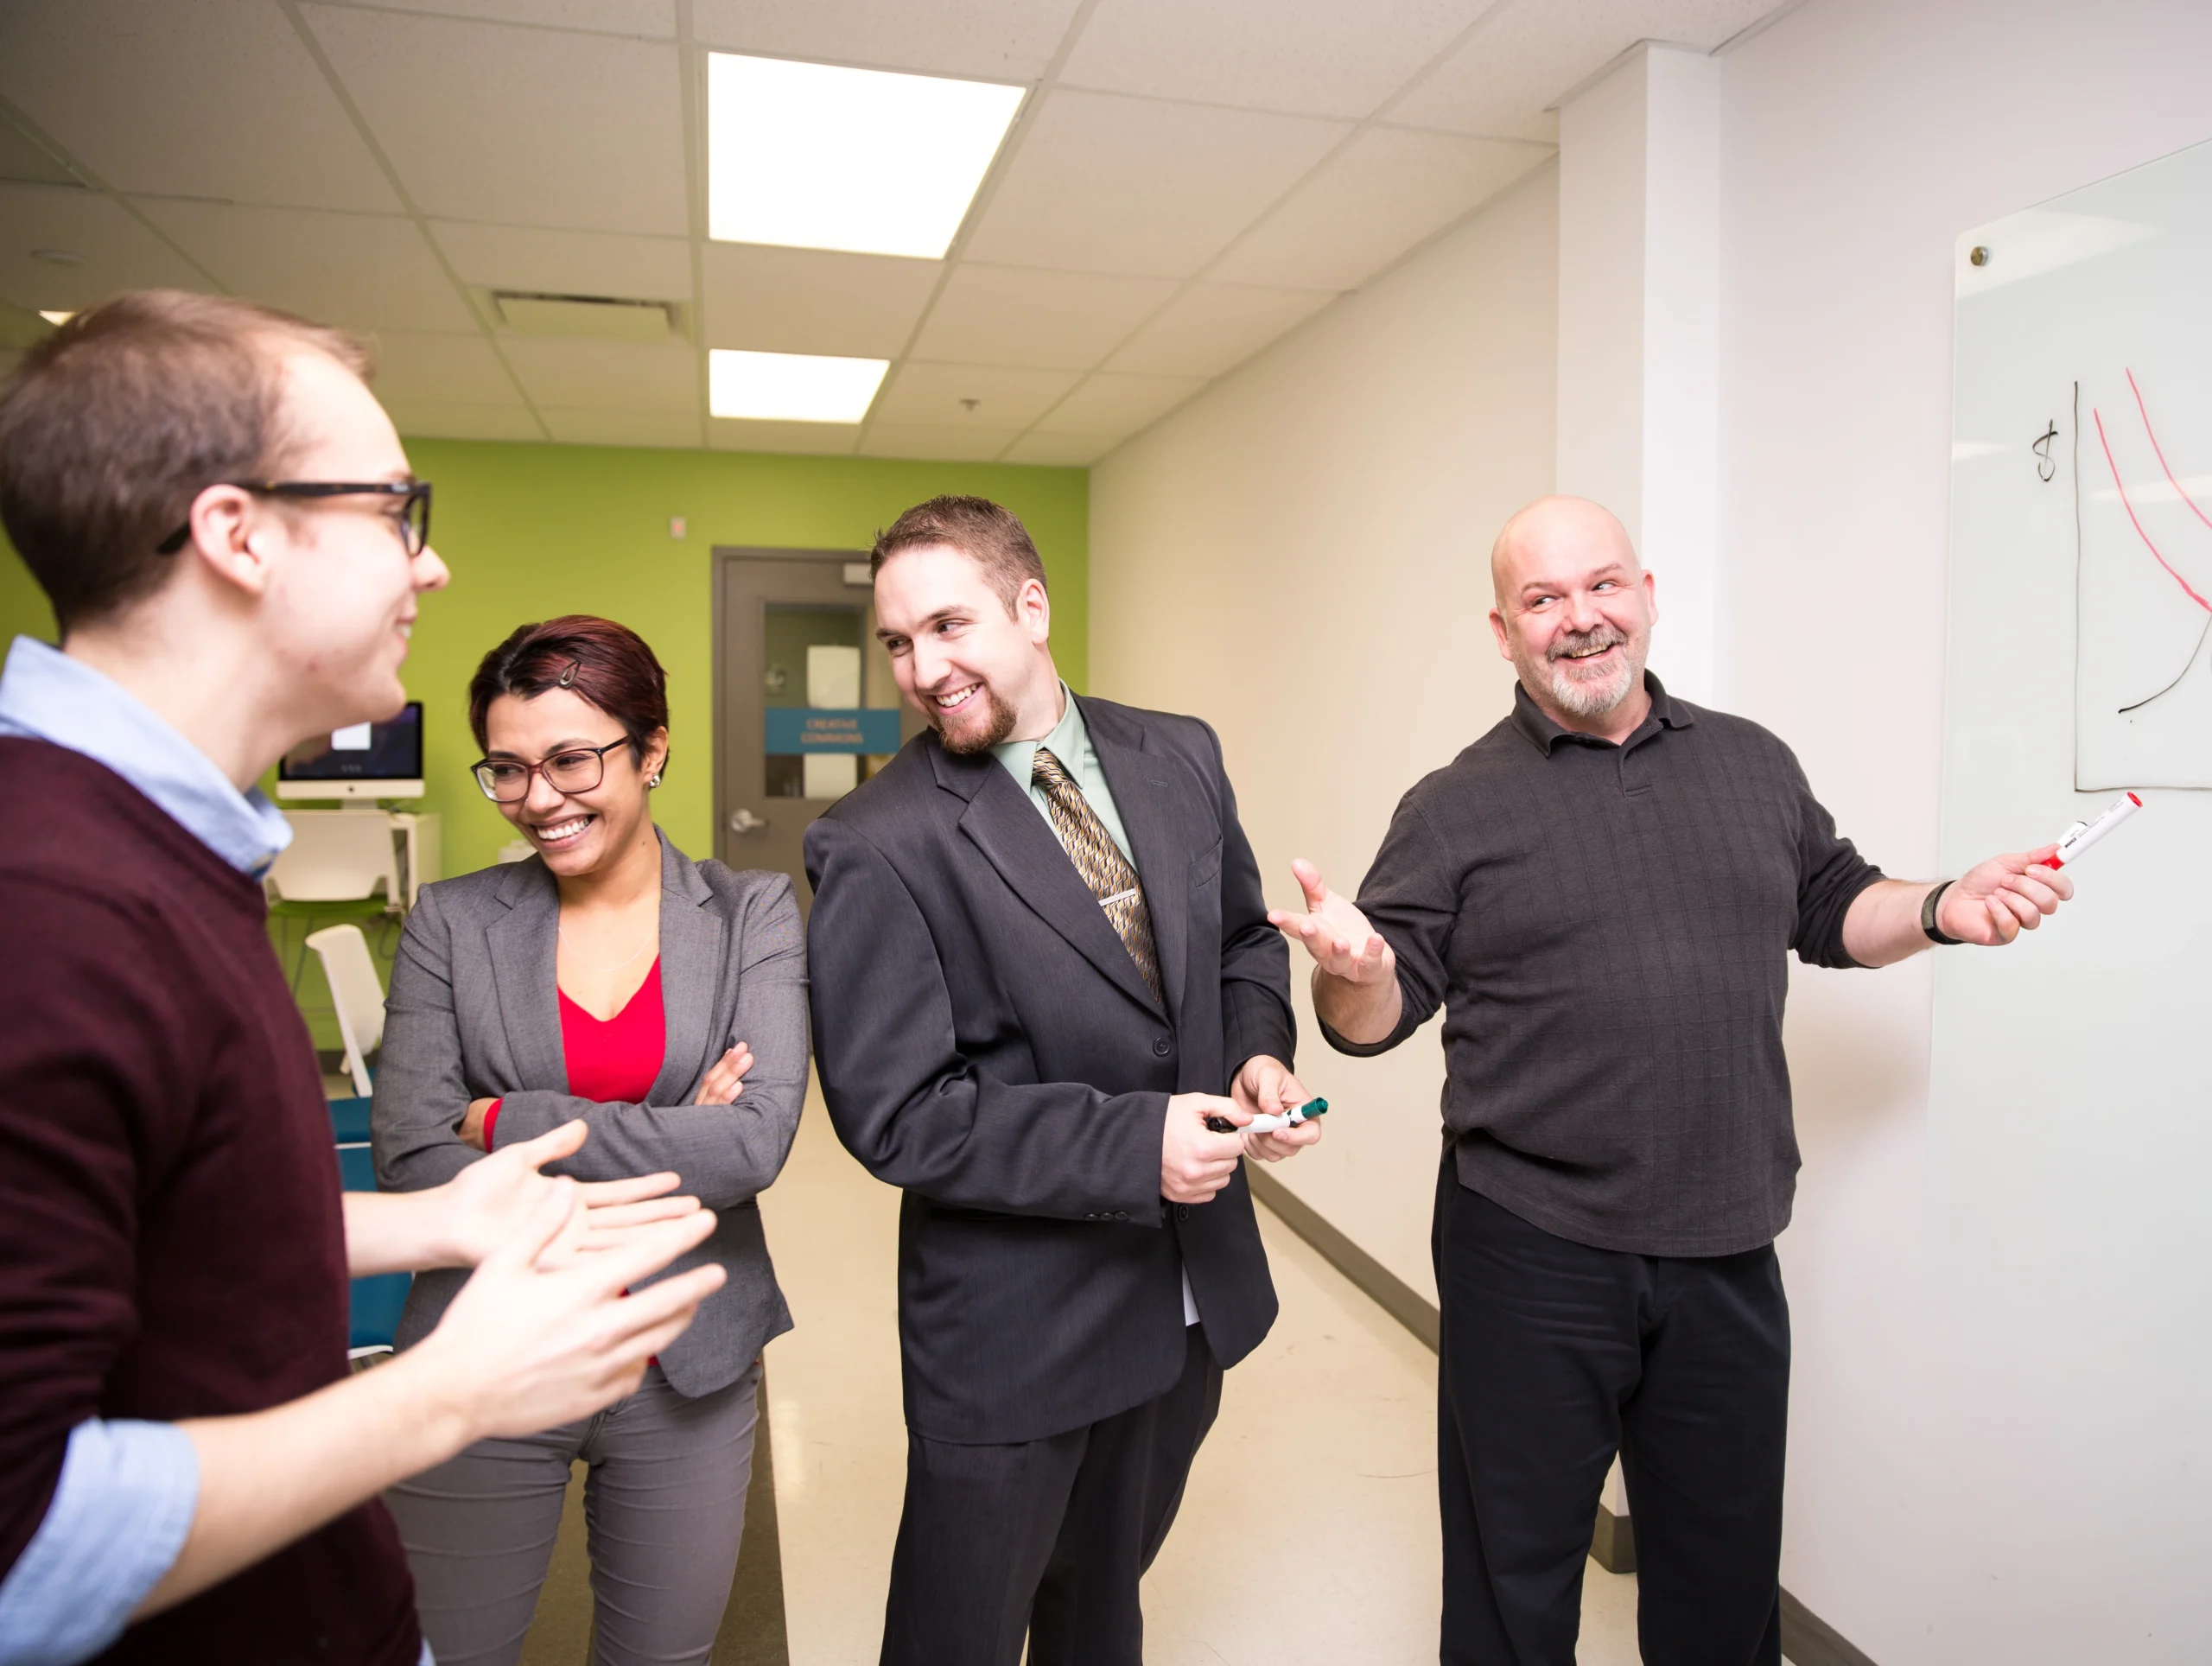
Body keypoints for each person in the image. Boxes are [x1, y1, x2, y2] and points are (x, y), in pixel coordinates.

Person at [0, 292, 726, 1666]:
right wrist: (447, 1394)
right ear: (238, 534)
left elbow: (165, 1243)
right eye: (396, 509)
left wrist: (433, 1229)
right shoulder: (47, 904)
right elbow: (23, 1544)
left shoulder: (154, 853)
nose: (430, 565)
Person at [1269, 495, 2075, 1666]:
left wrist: (1944, 906)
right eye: (1543, 599)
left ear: (1648, 595)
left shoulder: (1751, 764)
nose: (1580, 619)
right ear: (1503, 632)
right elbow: (1372, 1018)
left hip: (1726, 1246)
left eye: (1602, 585)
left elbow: (1835, 903)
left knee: (1722, 1581)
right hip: (1528, 1247)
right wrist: (1354, 972)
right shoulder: (1455, 807)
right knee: (1513, 1588)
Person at [803, 495, 1321, 1666]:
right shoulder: (878, 842)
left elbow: (1241, 941)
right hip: (1013, 1332)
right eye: (897, 642)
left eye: (949, 625)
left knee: (1100, 1616)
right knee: (959, 1636)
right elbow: (897, 1116)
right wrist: (1133, 1144)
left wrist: (1258, 1050)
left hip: (1183, 1302)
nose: (923, 669)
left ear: (1031, 608)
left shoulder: (1179, 752)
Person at [372, 614, 806, 1666]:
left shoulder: (753, 913)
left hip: (686, 1347)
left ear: (651, 750)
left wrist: (504, 1118)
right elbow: (410, 1150)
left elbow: (752, 1145)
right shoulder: (449, 922)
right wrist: (671, 1136)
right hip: (484, 1337)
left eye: (572, 758)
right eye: (509, 769)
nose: (540, 797)